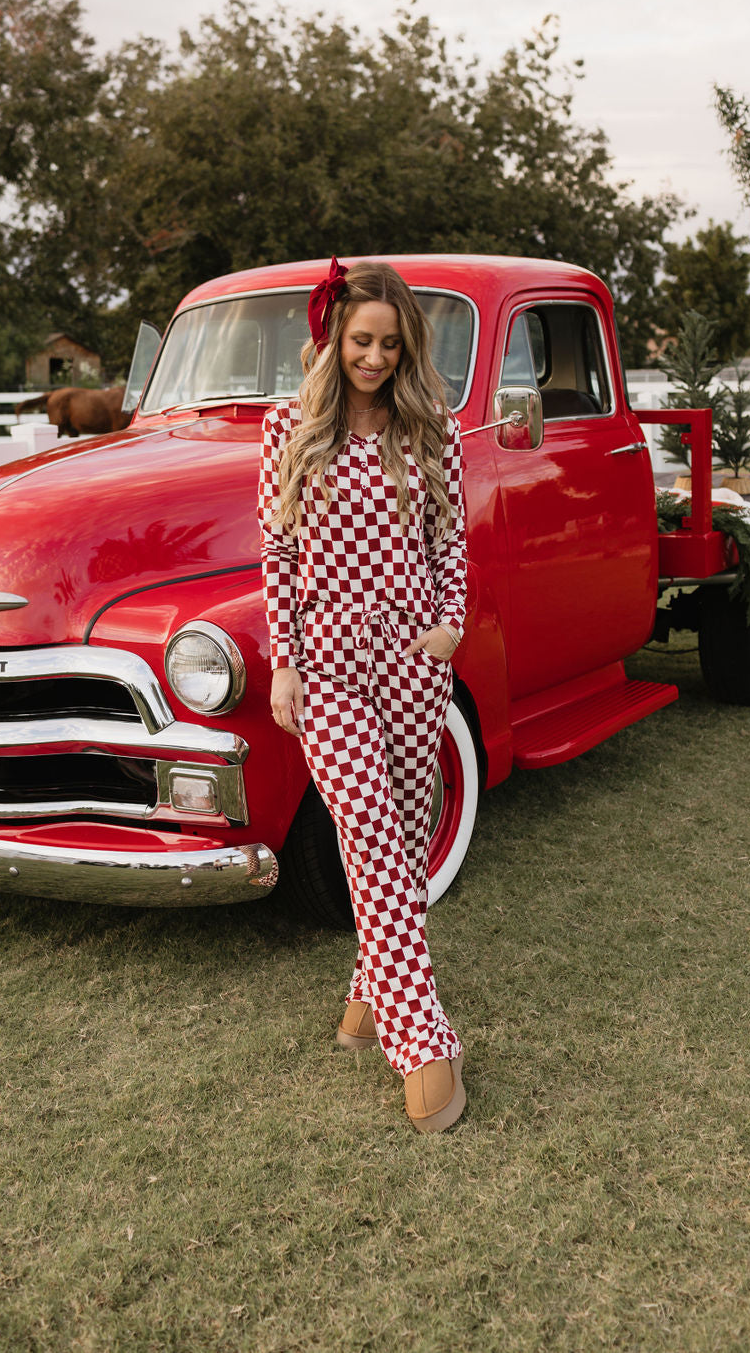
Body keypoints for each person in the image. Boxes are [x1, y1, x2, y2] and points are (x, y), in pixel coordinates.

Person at [258, 258, 468, 1134]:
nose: (374, 357)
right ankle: (422, 1041)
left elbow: (450, 538)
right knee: (371, 834)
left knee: (405, 841)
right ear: (333, 340)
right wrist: (283, 659)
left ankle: (362, 1001)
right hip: (329, 665)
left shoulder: (432, 428)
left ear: (405, 344)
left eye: (389, 342)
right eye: (360, 340)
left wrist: (449, 624)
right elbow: (274, 554)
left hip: (415, 655)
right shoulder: (288, 428)